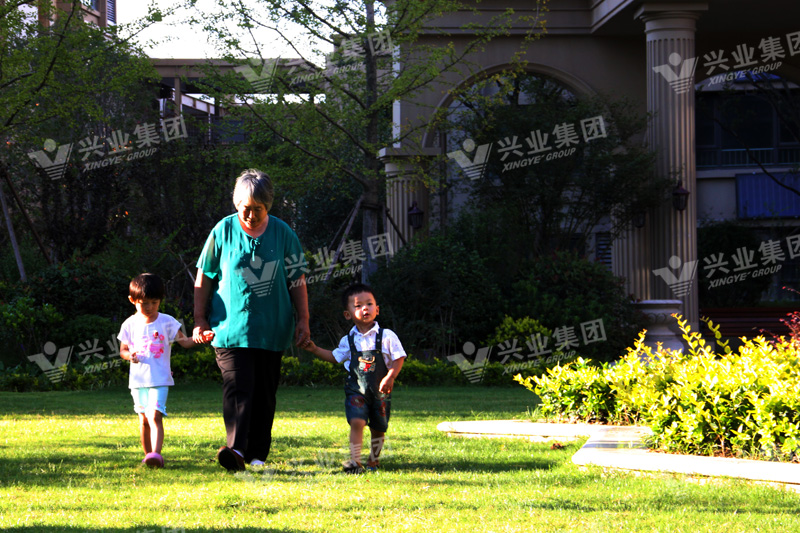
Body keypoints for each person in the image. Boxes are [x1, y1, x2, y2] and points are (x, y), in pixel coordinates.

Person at [193, 168, 310, 472]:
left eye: (258, 208)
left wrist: (303, 319)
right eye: (246, 207)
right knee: (238, 388)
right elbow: (204, 277)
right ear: (237, 204)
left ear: (268, 205)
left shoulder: (284, 234)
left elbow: (297, 279)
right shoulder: (222, 231)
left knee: (264, 393)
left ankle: (257, 454)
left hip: (272, 329)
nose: (251, 214)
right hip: (229, 329)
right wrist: (199, 319)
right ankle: (236, 450)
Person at [302, 283, 406, 473]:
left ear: (377, 309)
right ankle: (355, 462)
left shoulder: (387, 336)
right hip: (356, 390)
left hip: (380, 391)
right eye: (358, 306)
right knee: (357, 421)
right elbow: (335, 357)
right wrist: (315, 349)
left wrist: (390, 376)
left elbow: (399, 358)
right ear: (347, 314)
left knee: (378, 428)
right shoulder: (348, 340)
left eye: (369, 304)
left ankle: (373, 460)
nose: (365, 308)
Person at [118, 273, 207, 468]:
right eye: (144, 303)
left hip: (160, 380)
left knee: (155, 415)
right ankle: (148, 456)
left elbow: (185, 342)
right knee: (143, 419)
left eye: (154, 302)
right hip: (138, 382)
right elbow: (122, 350)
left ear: (160, 301)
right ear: (132, 300)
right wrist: (129, 355)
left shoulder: (167, 322)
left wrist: (199, 338)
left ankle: (156, 455)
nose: (149, 307)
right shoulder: (129, 324)